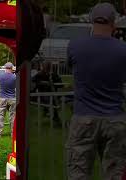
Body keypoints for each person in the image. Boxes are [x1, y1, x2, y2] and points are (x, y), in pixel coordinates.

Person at [67, 3, 126, 180]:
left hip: (83, 118)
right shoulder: (123, 50)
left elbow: (71, 68)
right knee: (114, 174)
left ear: (92, 21)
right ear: (114, 23)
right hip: (115, 120)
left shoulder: (75, 46)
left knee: (78, 173)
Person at [33, 62, 63, 127]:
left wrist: (53, 81)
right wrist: (44, 83)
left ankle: (54, 117)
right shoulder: (39, 75)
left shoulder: (53, 75)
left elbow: (61, 84)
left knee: (53, 102)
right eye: (45, 67)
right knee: (50, 102)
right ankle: (53, 117)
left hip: (53, 95)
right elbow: (34, 81)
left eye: (48, 67)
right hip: (42, 95)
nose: (46, 68)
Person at [0, 62, 16, 139]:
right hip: (12, 98)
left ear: (5, 68)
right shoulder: (14, 77)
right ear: (11, 68)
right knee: (12, 117)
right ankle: (13, 134)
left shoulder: (0, 76)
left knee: (0, 116)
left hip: (2, 98)